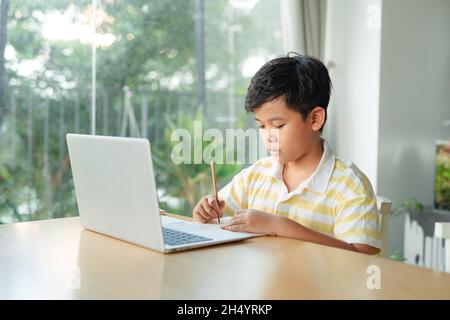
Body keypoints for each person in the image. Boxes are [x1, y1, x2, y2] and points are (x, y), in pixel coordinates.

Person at [192, 53, 381, 255]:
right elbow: (218, 219)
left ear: (315, 119)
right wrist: (206, 212)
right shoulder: (257, 174)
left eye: (278, 125)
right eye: (262, 126)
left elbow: (361, 257)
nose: (268, 137)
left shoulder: (348, 184)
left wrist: (281, 226)